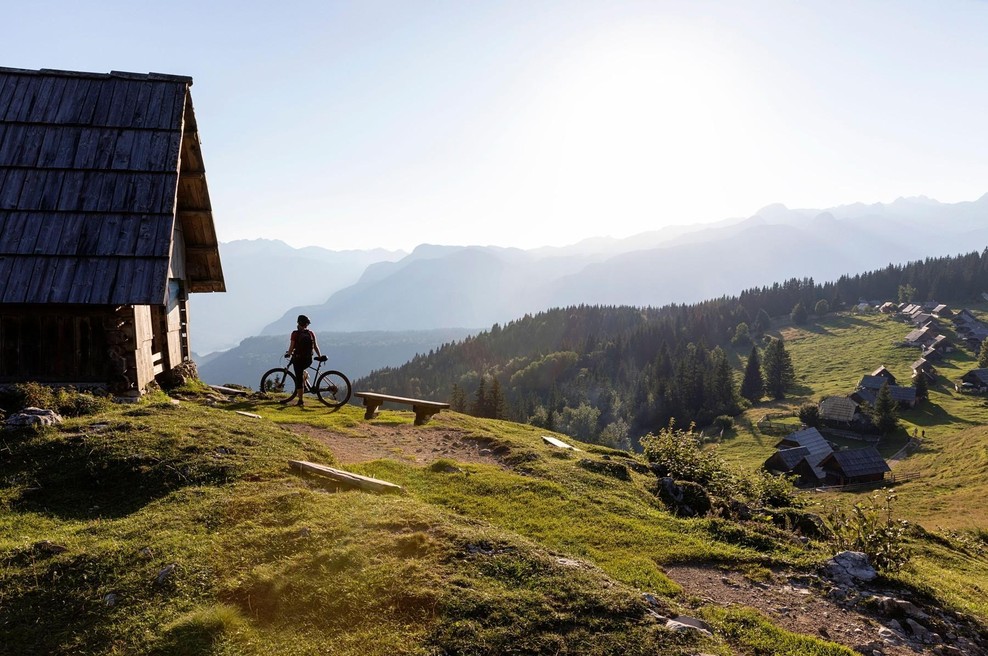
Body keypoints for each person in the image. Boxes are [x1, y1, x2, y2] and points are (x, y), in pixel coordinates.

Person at [284, 314, 321, 406]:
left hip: (298, 359)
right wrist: (320, 356)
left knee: (298, 379)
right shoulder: (311, 333)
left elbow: (292, 346)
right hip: (309, 360)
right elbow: (315, 346)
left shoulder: (295, 334)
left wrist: (289, 354)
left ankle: (300, 401)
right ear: (306, 324)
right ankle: (306, 382)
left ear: (298, 323)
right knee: (302, 372)